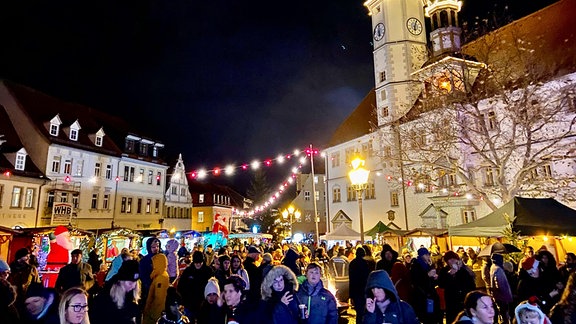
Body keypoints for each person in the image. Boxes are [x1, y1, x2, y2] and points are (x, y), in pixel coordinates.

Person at [90, 260, 141, 324]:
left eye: (135, 283)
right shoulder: (104, 299)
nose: (133, 286)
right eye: (130, 283)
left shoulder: (131, 297)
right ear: (121, 282)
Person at [437, 251, 476, 324]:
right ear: (446, 261)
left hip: (463, 301)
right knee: (452, 319)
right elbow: (441, 284)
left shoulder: (463, 270)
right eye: (449, 259)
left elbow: (471, 285)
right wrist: (449, 275)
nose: (452, 261)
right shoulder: (444, 271)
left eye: (454, 258)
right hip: (451, 301)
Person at [177, 250, 213, 321]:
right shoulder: (188, 271)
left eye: (200, 262)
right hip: (189, 303)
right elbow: (181, 285)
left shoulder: (208, 271)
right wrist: (183, 300)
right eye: (196, 262)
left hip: (203, 303)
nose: (198, 264)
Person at [410, 247, 442, 324]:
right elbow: (416, 280)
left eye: (428, 254)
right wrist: (427, 275)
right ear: (421, 255)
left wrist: (435, 278)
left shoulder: (427, 264)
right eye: (426, 254)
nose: (428, 256)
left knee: (432, 315)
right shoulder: (416, 265)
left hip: (430, 294)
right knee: (427, 317)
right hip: (422, 296)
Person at [143, 254, 170, 324]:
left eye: (154, 263)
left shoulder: (161, 278)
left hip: (155, 315)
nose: (152, 265)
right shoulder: (159, 275)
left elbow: (159, 299)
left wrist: (153, 314)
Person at [490, 253, 513, 324]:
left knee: (502, 313)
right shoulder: (498, 269)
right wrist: (507, 296)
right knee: (505, 314)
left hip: (497, 295)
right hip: (502, 296)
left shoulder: (493, 267)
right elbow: (501, 284)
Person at [349, 246, 370, 323]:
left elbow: (351, 279)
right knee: (364, 310)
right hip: (363, 289)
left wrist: (351, 295)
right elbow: (367, 277)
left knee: (358, 311)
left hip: (355, 290)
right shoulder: (365, 263)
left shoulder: (352, 263)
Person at [139, 237, 161, 306]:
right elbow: (142, 274)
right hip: (148, 287)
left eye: (157, 246)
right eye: (153, 247)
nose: (156, 249)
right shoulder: (145, 260)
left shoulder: (162, 258)